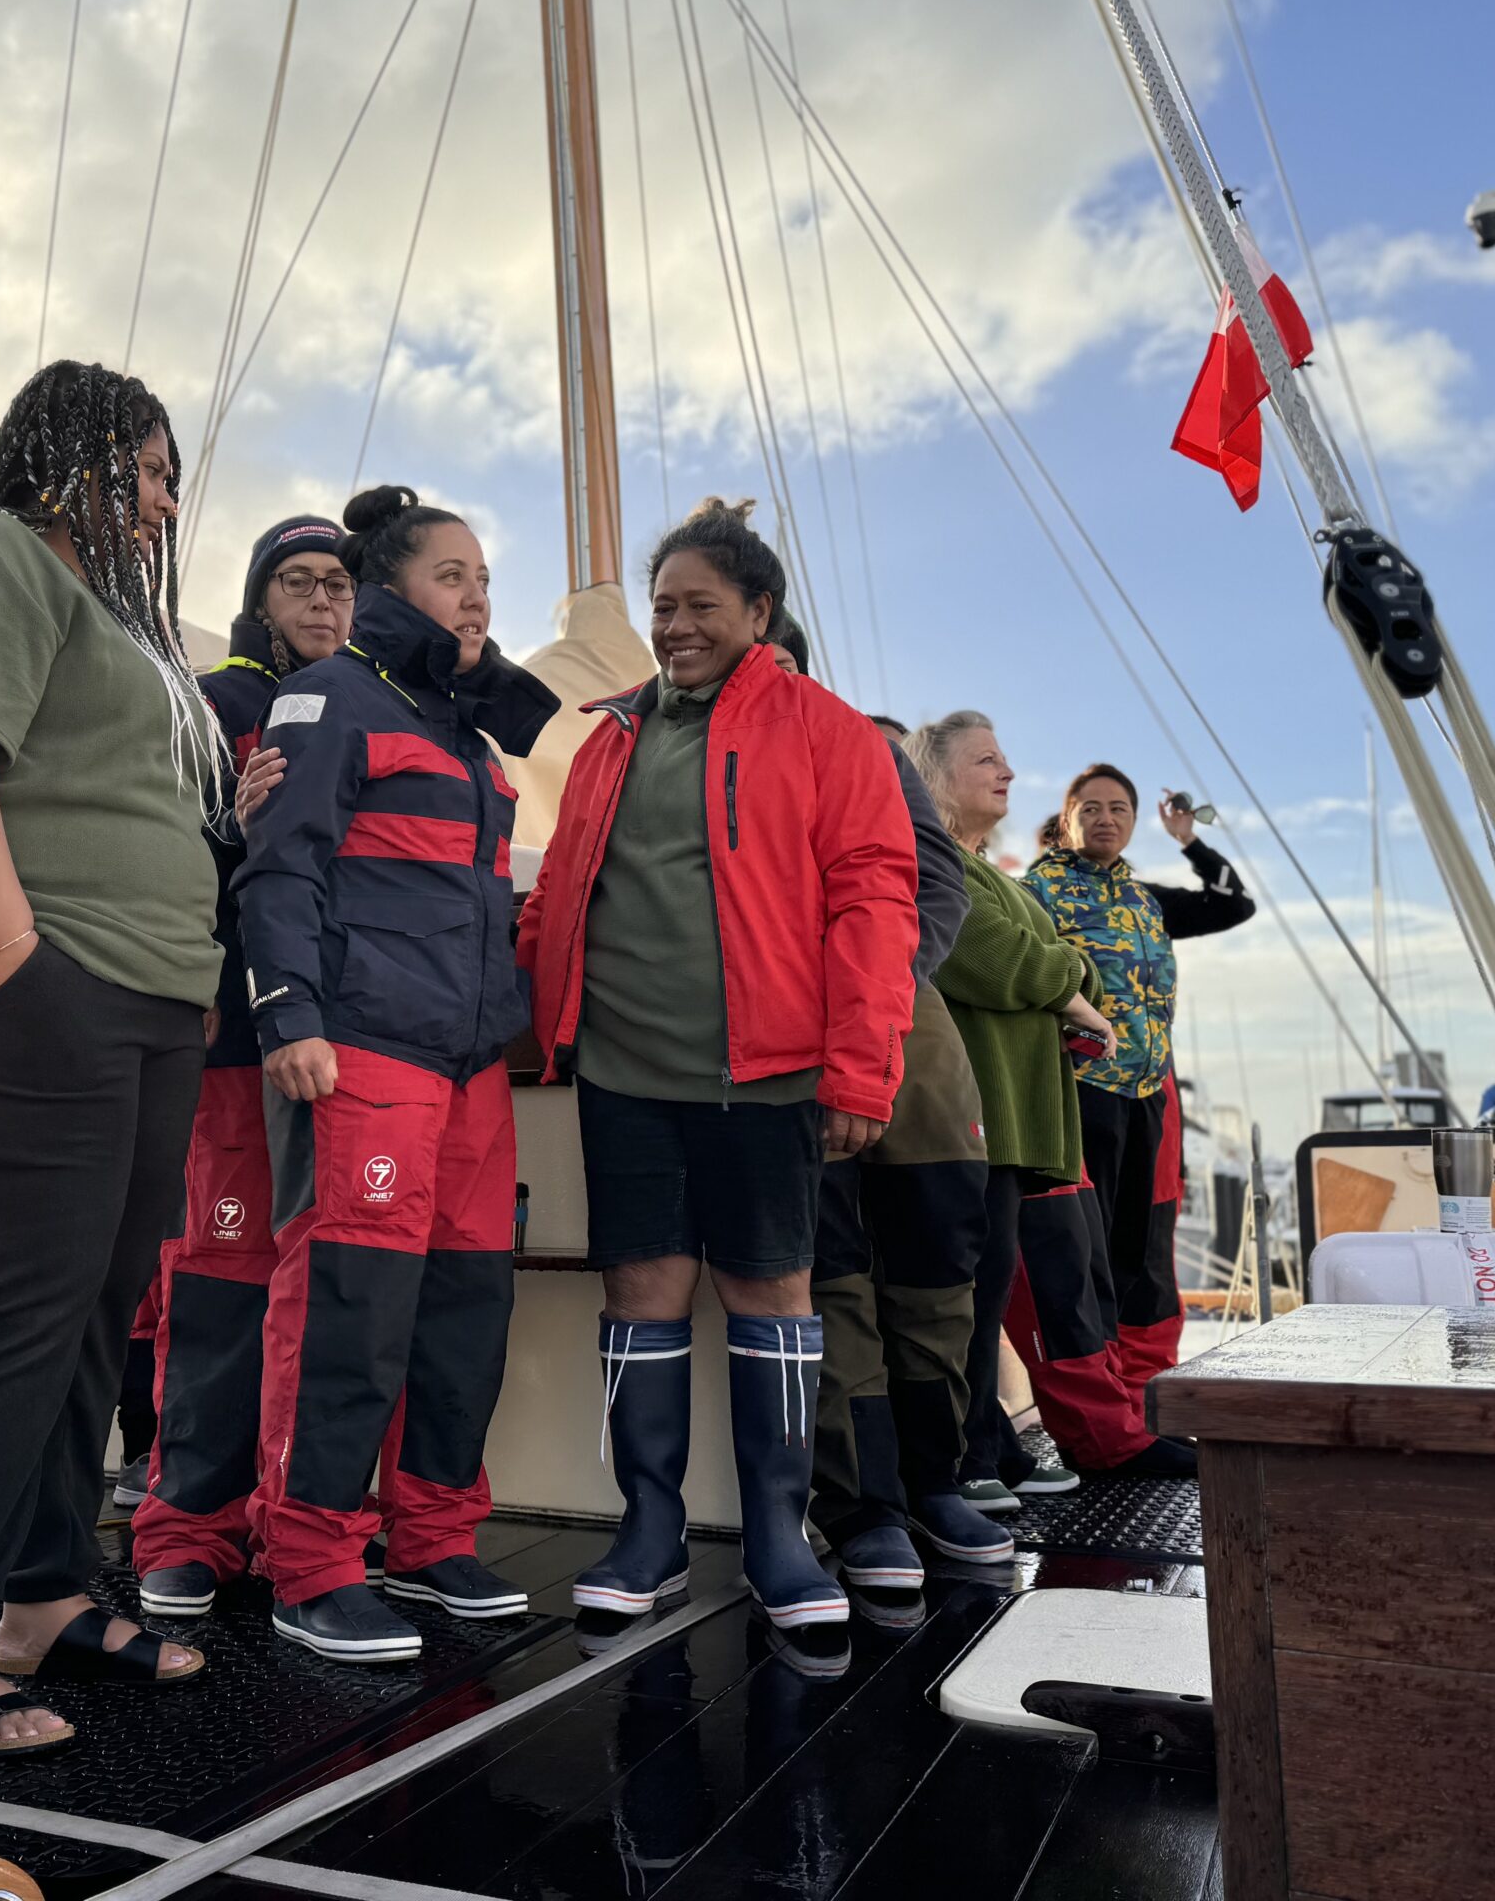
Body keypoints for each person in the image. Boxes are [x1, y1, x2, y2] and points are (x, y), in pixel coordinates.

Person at [0, 360, 218, 1757]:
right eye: (147, 467)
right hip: (21, 991)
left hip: (144, 1002)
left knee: (92, 1312)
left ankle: (44, 1598)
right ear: (68, 450)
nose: (166, 498)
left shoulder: (114, 616)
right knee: (14, 1310)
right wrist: (22, 959)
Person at [519, 498, 919, 1633]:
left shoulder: (829, 732)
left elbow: (875, 901)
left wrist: (859, 1068)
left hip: (772, 1072)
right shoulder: (608, 739)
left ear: (758, 611)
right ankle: (646, 1533)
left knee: (770, 1288)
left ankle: (778, 1538)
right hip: (623, 1067)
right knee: (639, 1288)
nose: (678, 625)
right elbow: (556, 895)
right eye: (662, 608)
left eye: (701, 605)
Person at [234, 484, 557, 1662]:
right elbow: (281, 870)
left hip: (473, 1068)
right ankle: (312, 1559)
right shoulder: (329, 699)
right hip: (364, 1049)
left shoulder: (467, 737)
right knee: (345, 1310)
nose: (475, 597)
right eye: (451, 575)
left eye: (483, 578)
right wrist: (290, 1016)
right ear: (389, 589)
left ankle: (431, 1535)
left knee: (465, 1310)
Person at [131, 514, 356, 1615]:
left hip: (342, 1044)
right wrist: (229, 814)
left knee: (324, 1296)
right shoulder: (213, 703)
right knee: (219, 1281)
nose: (324, 601)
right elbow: (151, 832)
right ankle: (190, 1525)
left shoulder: (371, 711)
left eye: (340, 585)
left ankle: (298, 1526)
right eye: (300, 582)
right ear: (261, 597)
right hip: (230, 1035)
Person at [768, 652, 1015, 1589]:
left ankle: (933, 1482)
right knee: (831, 1270)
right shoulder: (721, 761)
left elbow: (939, 882)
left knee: (937, 1260)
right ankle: (862, 1503)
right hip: (789, 1039)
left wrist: (890, 977)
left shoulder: (874, 751)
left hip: (911, 1029)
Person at [906, 714, 1193, 1486]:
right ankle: (973, 1459)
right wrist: (1070, 987)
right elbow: (996, 961)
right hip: (1002, 1110)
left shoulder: (1009, 878)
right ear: (934, 776)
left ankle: (1023, 1439)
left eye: (1005, 757)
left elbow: (1062, 965)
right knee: (994, 1288)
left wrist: (1068, 981)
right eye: (985, 759)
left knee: (1085, 1268)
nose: (1006, 770)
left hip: (1055, 1114)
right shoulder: (958, 872)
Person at [1025, 765, 1253, 1389]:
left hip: (1147, 1091)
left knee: (1139, 1247)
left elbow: (1236, 903)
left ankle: (1139, 1389)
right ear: (1065, 819)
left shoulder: (1144, 898)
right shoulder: (1037, 893)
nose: (1106, 818)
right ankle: (1096, 1390)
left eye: (1119, 808)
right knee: (1087, 1245)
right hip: (1083, 1088)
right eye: (1091, 807)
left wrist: (1188, 839)